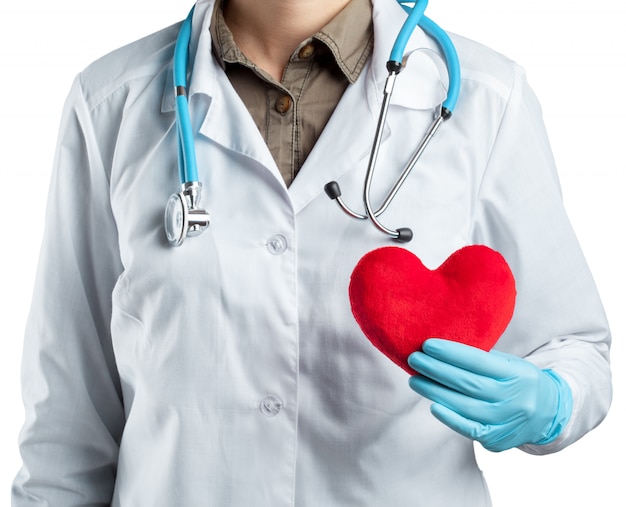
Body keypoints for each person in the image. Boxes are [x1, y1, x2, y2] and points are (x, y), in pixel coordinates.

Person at [12, 0, 612, 505]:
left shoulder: (485, 99)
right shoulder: (110, 103)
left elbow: (574, 347)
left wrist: (550, 403)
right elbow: (67, 423)